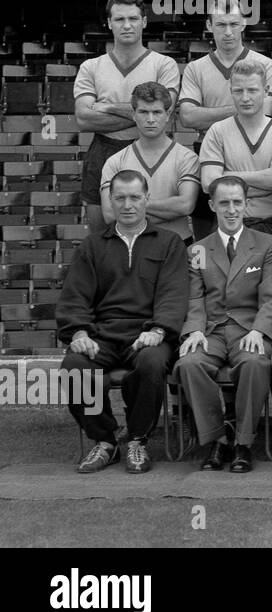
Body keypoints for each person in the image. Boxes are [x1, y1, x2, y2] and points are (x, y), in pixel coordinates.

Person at [56, 170, 188, 474]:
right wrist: (78, 332)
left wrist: (159, 330)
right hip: (101, 335)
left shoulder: (169, 243)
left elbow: (174, 293)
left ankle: (137, 439)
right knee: (74, 368)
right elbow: (75, 295)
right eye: (120, 198)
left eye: (134, 197)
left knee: (152, 363)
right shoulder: (92, 246)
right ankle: (105, 440)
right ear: (111, 201)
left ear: (147, 199)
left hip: (148, 333)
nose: (128, 205)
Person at [175, 175, 272, 473]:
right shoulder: (198, 249)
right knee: (188, 363)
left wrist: (260, 331)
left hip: (248, 328)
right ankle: (217, 439)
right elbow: (194, 298)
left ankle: (243, 444)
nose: (231, 209)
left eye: (238, 202)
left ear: (247, 204)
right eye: (224, 203)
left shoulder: (268, 245)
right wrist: (194, 329)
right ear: (212, 205)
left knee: (255, 362)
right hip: (210, 330)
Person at [75, 0, 180, 233]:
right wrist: (142, 114)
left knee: (154, 232)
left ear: (144, 21)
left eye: (133, 18)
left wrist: (109, 107)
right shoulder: (91, 67)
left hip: (150, 149)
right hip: (103, 149)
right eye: (119, 19)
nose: (127, 25)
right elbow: (83, 118)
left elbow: (166, 110)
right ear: (109, 23)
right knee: (102, 234)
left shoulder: (164, 65)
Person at [178, 0, 272, 238]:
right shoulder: (195, 68)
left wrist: (211, 114)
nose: (228, 32)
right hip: (208, 149)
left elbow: (263, 112)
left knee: (252, 222)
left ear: (244, 24)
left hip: (254, 150)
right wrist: (242, 109)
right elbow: (188, 117)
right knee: (205, 227)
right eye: (221, 25)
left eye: (234, 24)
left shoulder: (266, 65)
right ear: (209, 26)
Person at [197, 60, 272, 267]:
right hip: (228, 227)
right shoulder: (217, 131)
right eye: (238, 91)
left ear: (266, 90)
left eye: (252, 90)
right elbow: (208, 184)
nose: (245, 98)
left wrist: (228, 176)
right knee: (226, 294)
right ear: (230, 90)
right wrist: (263, 182)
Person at [99, 82, 199, 243]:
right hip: (130, 245)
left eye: (157, 112)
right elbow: (110, 214)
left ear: (168, 114)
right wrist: (168, 212)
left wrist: (129, 206)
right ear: (133, 114)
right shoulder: (115, 162)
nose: (150, 119)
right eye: (144, 112)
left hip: (176, 244)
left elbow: (185, 206)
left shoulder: (187, 158)